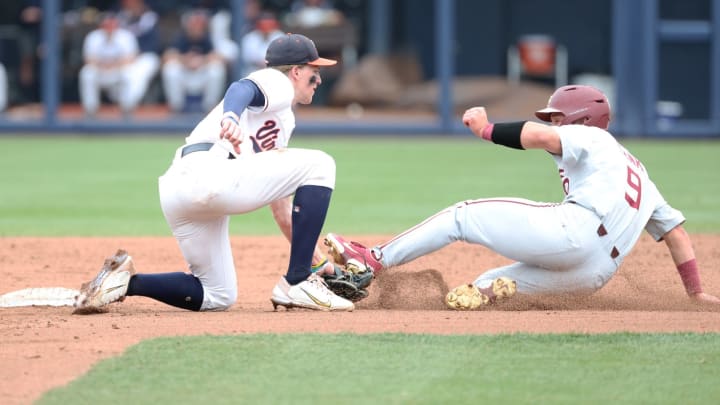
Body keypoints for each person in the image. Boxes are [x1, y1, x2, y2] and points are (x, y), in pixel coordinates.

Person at [324, 85, 720, 310]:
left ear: (582, 119)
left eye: (558, 116)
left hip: (572, 231)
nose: (552, 122)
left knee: (461, 217)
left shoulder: (592, 136)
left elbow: (540, 136)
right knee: (482, 286)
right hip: (592, 275)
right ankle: (488, 290)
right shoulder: (642, 176)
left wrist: (485, 129)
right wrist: (695, 293)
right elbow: (677, 234)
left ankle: (371, 260)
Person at [73, 33, 371, 314]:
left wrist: (321, 264)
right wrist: (230, 115)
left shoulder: (282, 119)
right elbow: (242, 88)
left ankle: (124, 283)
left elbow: (282, 209)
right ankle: (298, 283)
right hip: (209, 171)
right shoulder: (277, 82)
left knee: (218, 294)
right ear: (295, 71)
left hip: (181, 190)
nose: (318, 79)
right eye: (313, 70)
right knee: (321, 164)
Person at [161, 8, 227, 113]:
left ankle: (210, 107)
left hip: (202, 74)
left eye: (199, 24)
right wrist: (185, 60)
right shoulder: (181, 37)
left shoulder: (208, 37)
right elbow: (166, 56)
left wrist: (201, 60)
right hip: (185, 74)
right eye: (194, 24)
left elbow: (220, 57)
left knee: (216, 69)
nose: (196, 26)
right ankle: (176, 107)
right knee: (170, 69)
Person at [78, 12, 142, 117]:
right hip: (100, 71)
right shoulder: (93, 37)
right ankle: (91, 110)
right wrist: (103, 65)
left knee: (130, 73)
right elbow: (88, 59)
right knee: (87, 72)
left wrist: (113, 64)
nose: (109, 28)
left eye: (112, 24)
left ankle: (127, 108)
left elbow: (131, 58)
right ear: (101, 25)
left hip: (118, 71)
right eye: (106, 25)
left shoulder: (125, 36)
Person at [116, 0, 161, 106]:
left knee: (140, 73)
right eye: (128, 3)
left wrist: (135, 55)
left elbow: (153, 44)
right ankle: (124, 104)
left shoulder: (150, 18)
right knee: (124, 75)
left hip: (146, 56)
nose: (131, 5)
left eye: (134, 3)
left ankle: (129, 105)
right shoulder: (121, 17)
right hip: (125, 57)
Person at [239, 11, 284, 77]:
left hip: (274, 70)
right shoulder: (250, 38)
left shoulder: (280, 36)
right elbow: (247, 57)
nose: (266, 29)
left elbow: (283, 57)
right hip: (254, 70)